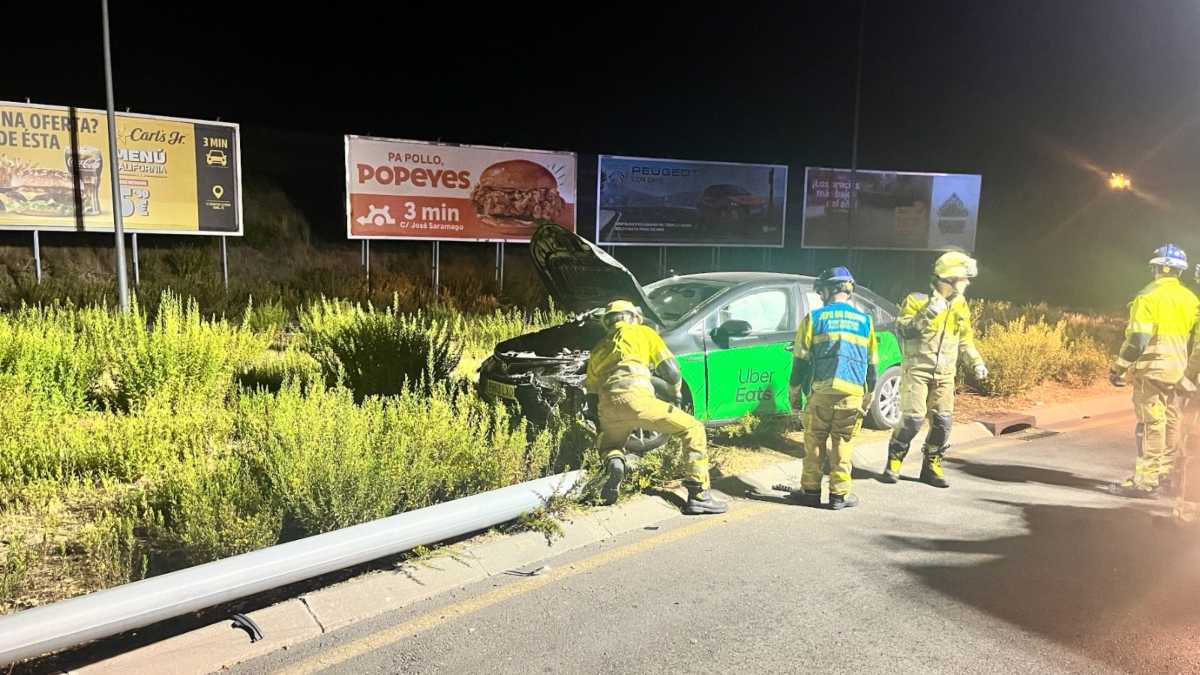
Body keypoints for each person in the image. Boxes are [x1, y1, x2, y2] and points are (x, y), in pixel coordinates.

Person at [585, 300, 727, 515]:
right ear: (634, 317)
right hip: (638, 401)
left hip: (608, 407)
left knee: (609, 446)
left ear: (607, 322)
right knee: (693, 428)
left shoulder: (598, 349)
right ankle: (699, 494)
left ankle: (614, 462)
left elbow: (591, 397)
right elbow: (671, 371)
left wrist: (601, 424)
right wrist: (676, 395)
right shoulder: (644, 333)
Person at [881, 251, 988, 488]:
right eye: (964, 278)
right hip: (917, 370)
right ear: (950, 278)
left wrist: (976, 361)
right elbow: (905, 330)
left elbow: (965, 339)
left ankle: (931, 467)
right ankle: (894, 461)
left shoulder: (959, 304)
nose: (967, 283)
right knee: (913, 419)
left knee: (943, 422)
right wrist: (928, 312)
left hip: (945, 374)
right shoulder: (917, 300)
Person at [1108, 244, 1199, 498]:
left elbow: (1138, 339)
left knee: (1151, 423)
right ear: (1179, 271)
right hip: (1178, 370)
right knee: (1171, 420)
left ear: (1157, 268)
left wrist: (1119, 367)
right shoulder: (1191, 299)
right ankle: (1167, 473)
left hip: (1151, 370)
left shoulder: (1147, 297)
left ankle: (1146, 481)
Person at [788, 267, 878, 509]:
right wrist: (868, 397)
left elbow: (800, 362)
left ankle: (810, 492)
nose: (820, 297)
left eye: (821, 292)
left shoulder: (814, 319)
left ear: (827, 291)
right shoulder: (865, 322)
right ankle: (839, 495)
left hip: (822, 393)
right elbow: (872, 366)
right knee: (843, 443)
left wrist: (794, 396)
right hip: (853, 395)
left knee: (815, 442)